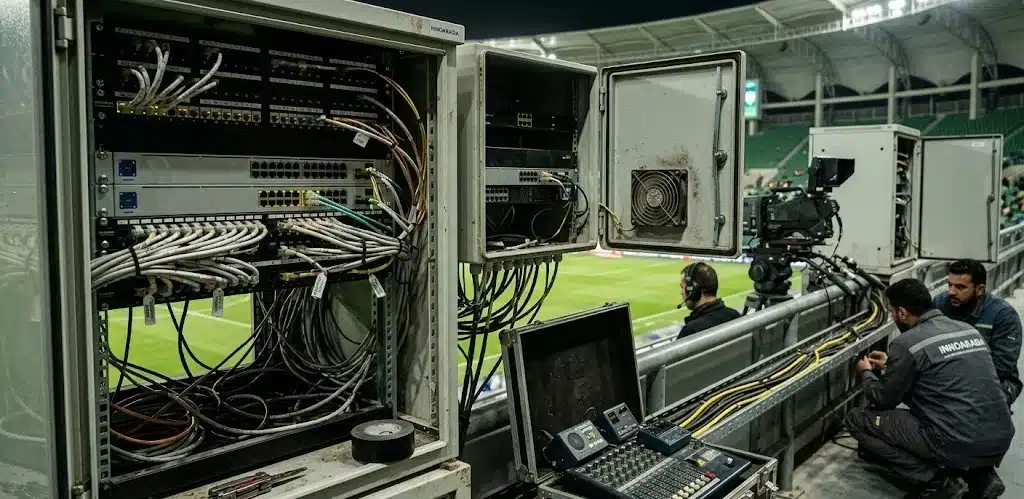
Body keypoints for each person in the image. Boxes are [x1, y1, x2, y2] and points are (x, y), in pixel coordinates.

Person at [847, 278, 1013, 499]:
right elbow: (944, 372)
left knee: (857, 419)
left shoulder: (907, 342)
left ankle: (936, 479)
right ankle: (981, 476)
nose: (893, 317)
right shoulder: (968, 330)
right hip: (1000, 437)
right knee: (961, 419)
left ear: (902, 313)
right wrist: (892, 364)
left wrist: (866, 373)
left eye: (892, 312)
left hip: (955, 440)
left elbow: (884, 399)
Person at [934, 259, 1022, 406]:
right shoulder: (940, 303)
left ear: (979, 289)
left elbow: (1001, 367)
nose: (951, 291)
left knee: (975, 404)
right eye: (950, 285)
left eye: (960, 287)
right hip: (948, 377)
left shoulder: (1003, 315)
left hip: (995, 380)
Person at [676, 262, 741, 339]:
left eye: (682, 287)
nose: (681, 292)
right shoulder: (735, 315)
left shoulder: (691, 331)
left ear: (693, 290)